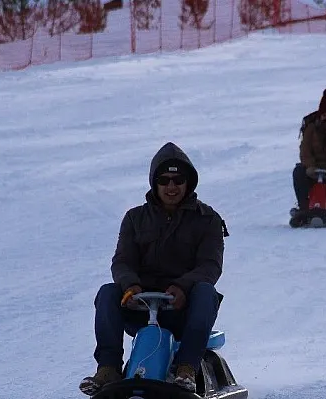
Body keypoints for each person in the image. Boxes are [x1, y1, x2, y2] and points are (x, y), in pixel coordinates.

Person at [79, 142, 228, 395]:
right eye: (164, 180)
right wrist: (131, 286)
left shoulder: (207, 220)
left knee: (205, 291)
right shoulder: (135, 218)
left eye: (178, 180)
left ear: (188, 183)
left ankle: (186, 368)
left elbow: (210, 265)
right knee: (107, 292)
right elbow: (122, 261)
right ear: (154, 183)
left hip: (185, 309)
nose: (172, 187)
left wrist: (182, 287)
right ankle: (108, 369)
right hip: (141, 306)